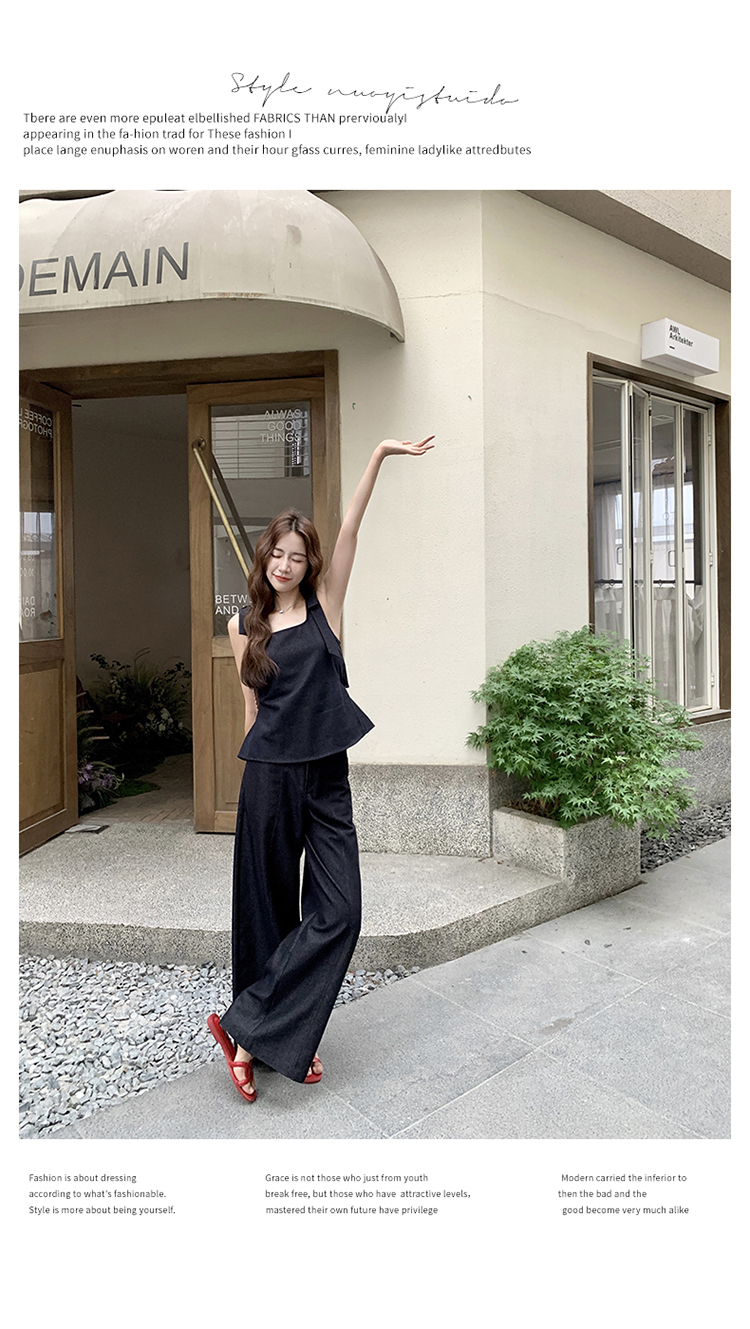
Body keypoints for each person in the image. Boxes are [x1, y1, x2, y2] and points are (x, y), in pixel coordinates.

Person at [207, 434, 434, 1101]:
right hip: (269, 777)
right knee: (266, 909)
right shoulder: (243, 627)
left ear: (309, 565)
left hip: (327, 777)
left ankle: (247, 1027)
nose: (285, 563)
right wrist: (246, 787)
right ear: (264, 557)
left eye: (297, 555)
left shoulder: (326, 605)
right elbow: (251, 709)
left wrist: (379, 454)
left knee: (341, 911)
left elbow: (350, 527)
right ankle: (280, 1041)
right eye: (277, 553)